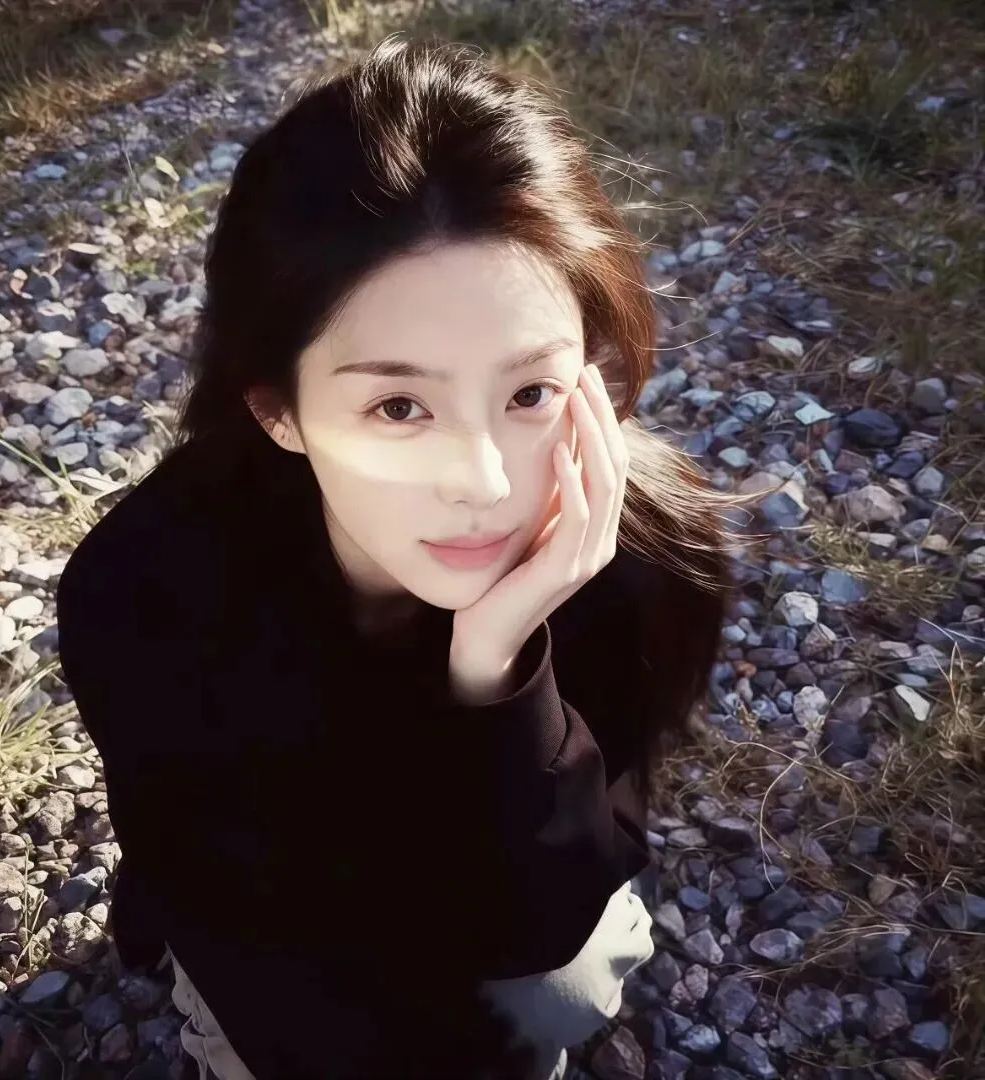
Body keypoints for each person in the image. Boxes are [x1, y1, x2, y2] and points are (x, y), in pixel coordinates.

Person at [55, 35, 732, 1080]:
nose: (485, 482)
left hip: (482, 913)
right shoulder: (145, 592)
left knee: (558, 990)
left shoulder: (640, 556)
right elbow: (245, 925)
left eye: (529, 392)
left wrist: (499, 674)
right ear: (278, 409)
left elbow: (546, 918)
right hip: (275, 931)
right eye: (399, 406)